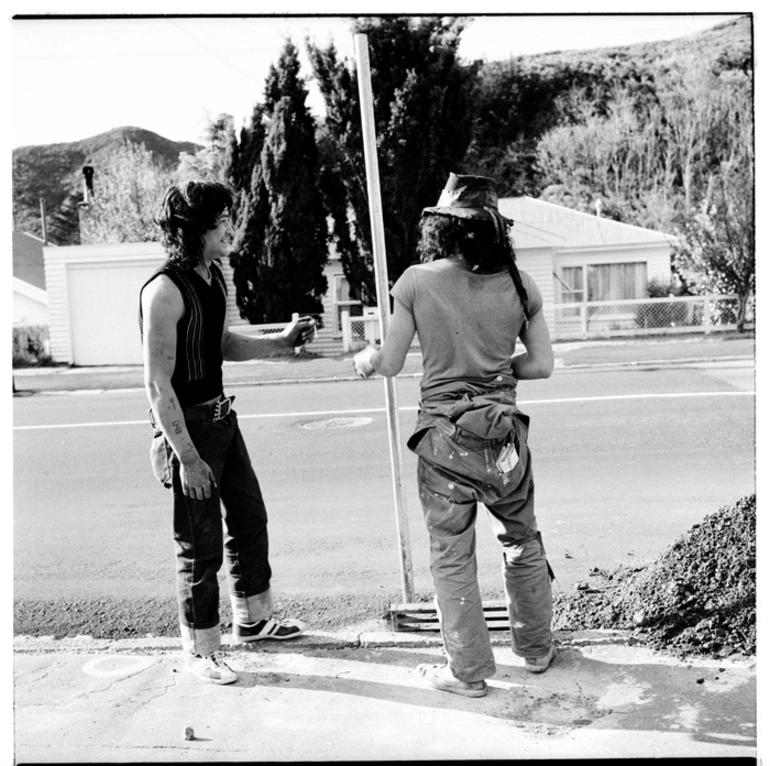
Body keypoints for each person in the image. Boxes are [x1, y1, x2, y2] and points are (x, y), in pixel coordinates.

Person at [353, 173, 557, 698]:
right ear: (495, 229)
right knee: (522, 540)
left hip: (445, 443)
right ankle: (535, 650)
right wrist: (496, 373)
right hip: (504, 440)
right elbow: (540, 366)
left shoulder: (417, 282)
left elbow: (391, 361)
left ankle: (467, 673)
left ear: (442, 227)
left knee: (451, 553)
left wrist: (365, 358)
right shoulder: (520, 284)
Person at [140, 180, 317, 685]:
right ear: (196, 229)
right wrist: (187, 457)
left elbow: (221, 344)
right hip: (188, 430)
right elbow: (156, 383)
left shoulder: (213, 276)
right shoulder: (164, 290)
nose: (229, 230)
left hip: (222, 418)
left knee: (249, 517)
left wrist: (280, 342)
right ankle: (202, 650)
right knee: (200, 545)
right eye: (221, 222)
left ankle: (253, 620)